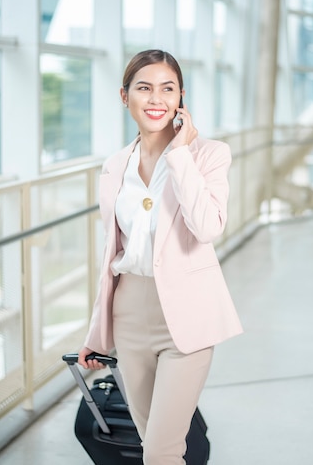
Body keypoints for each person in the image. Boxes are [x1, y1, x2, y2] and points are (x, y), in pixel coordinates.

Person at [78, 49, 243, 465]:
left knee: (161, 452)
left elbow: (207, 227)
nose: (156, 99)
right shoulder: (115, 166)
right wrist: (98, 332)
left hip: (186, 316)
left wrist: (181, 155)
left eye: (167, 89)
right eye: (144, 88)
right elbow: (113, 252)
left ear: (181, 99)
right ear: (124, 96)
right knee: (150, 441)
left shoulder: (209, 155)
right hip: (130, 314)